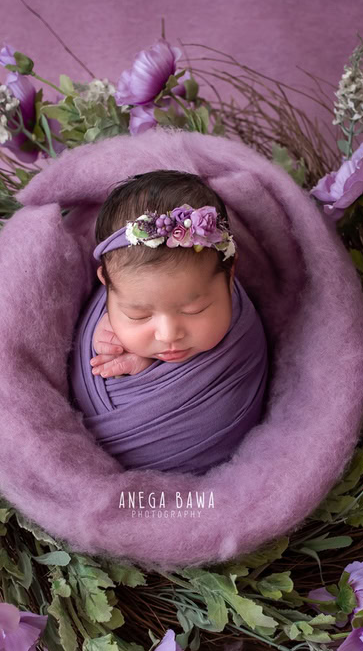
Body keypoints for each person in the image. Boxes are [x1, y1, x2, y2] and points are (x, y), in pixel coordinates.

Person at [67, 169, 270, 475]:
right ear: (106, 286)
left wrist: (149, 365)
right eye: (139, 314)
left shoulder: (243, 334)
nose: (168, 334)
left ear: (229, 278)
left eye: (194, 309)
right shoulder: (105, 307)